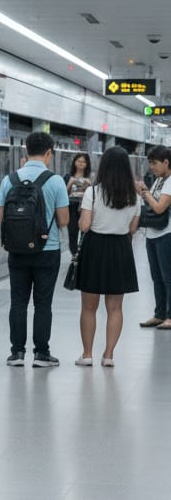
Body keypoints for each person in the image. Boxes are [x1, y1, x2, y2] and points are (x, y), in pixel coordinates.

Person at [0, 131, 69, 368]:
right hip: (48, 249)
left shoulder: (9, 180)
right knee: (42, 303)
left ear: (26, 151)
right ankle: (41, 354)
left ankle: (16, 353)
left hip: (16, 250)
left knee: (18, 302)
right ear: (49, 153)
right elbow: (64, 219)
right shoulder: (55, 181)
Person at [75, 145, 140, 367]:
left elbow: (84, 226)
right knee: (115, 308)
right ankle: (109, 355)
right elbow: (132, 228)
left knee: (88, 307)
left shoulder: (92, 192)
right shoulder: (134, 196)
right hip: (120, 249)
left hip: (95, 248)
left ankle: (87, 354)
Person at [135, 145, 171, 330]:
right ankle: (159, 314)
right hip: (153, 233)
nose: (152, 167)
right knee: (156, 276)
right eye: (150, 163)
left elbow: (159, 208)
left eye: (154, 163)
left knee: (168, 277)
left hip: (167, 234)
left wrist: (145, 192)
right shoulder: (159, 180)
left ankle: (170, 316)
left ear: (166, 162)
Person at [66, 152, 92, 257]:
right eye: (79, 161)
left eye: (84, 162)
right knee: (72, 231)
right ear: (74, 162)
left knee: (85, 231)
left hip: (84, 207)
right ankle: (74, 254)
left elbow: (92, 194)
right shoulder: (68, 176)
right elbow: (63, 194)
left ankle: (82, 253)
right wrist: (70, 183)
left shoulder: (89, 178)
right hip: (71, 207)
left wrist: (89, 185)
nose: (81, 164)